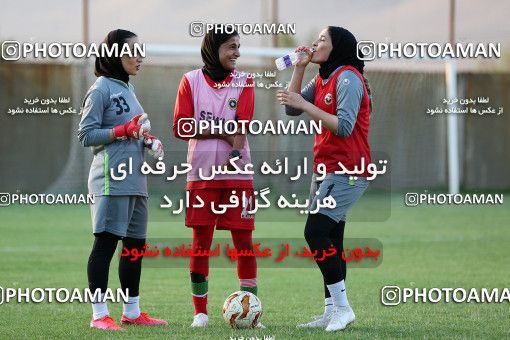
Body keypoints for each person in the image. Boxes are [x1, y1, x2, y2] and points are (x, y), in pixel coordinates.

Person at [277, 26, 373, 332]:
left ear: (338, 48)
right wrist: (300, 69)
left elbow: (344, 127)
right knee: (332, 240)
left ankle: (343, 309)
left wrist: (308, 105)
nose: (316, 43)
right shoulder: (322, 77)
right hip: (327, 169)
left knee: (315, 232)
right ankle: (332, 311)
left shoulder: (347, 78)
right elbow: (292, 107)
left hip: (348, 171)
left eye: (322, 40)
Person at [173, 25, 264, 328]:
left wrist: (229, 141)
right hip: (202, 174)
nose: (237, 53)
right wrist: (221, 131)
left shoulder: (245, 81)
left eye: (239, 47)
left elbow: (242, 126)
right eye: (231, 47)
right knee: (201, 242)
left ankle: (250, 309)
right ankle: (200, 312)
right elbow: (181, 127)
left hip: (238, 176)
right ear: (214, 48)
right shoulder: (189, 81)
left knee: (244, 242)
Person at [78, 29, 166, 331]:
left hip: (136, 181)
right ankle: (99, 315)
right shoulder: (101, 89)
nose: (139, 56)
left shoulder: (126, 88)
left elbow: (132, 129)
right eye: (132, 51)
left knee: (134, 247)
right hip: (111, 180)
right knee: (106, 245)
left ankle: (132, 312)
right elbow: (86, 135)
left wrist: (148, 141)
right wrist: (123, 131)